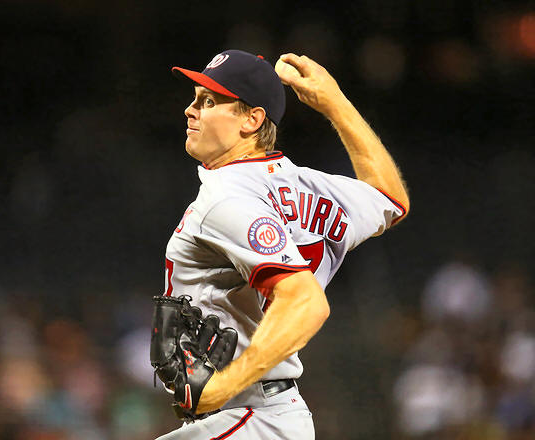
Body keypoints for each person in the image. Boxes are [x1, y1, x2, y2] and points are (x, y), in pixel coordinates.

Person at [156, 49, 409, 439]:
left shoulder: (228, 196)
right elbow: (390, 197)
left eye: (208, 101)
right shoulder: (306, 185)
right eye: (195, 99)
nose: (191, 110)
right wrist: (336, 104)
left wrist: (222, 386)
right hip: (265, 417)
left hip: (251, 415)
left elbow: (305, 301)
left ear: (252, 119)